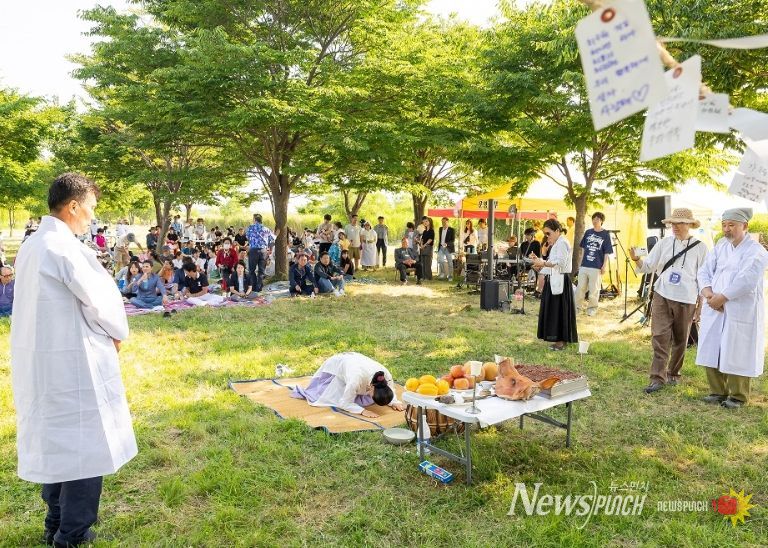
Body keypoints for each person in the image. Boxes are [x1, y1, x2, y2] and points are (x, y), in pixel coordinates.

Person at [10, 173, 136, 547]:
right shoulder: (65, 249)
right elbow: (103, 302)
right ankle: (72, 534)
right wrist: (117, 333)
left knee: (57, 444)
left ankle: (55, 522)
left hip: (41, 360)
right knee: (85, 448)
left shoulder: (33, 245)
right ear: (74, 206)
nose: (92, 218)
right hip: (74, 361)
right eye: (91, 209)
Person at [628, 208, 708, 394]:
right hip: (662, 295)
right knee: (659, 336)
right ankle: (657, 377)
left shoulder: (700, 247)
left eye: (679, 223)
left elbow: (704, 278)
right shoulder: (664, 243)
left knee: (681, 339)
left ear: (689, 224)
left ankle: (674, 373)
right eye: (672, 223)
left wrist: (700, 305)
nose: (675, 227)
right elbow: (648, 267)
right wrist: (636, 260)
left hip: (686, 298)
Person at [696, 208, 768, 408]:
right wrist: (709, 294)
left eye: (732, 225)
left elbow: (747, 280)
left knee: (737, 349)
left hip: (739, 308)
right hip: (714, 305)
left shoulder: (756, 251)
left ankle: (737, 396)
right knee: (712, 346)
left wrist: (723, 297)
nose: (726, 229)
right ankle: (717, 391)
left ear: (744, 226)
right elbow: (704, 271)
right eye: (724, 225)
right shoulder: (720, 246)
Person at [291, 352, 405, 418]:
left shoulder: (385, 375)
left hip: (359, 363)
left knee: (371, 399)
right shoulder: (355, 379)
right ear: (371, 387)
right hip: (340, 365)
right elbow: (344, 402)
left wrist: (394, 402)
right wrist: (362, 411)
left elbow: (390, 390)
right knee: (330, 396)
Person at [531, 219, 577, 350]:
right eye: (545, 234)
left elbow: (560, 263)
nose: (547, 236)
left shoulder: (562, 242)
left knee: (559, 310)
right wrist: (540, 266)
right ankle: (557, 338)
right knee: (555, 310)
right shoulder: (558, 243)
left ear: (557, 231)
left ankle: (561, 341)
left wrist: (543, 263)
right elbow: (553, 264)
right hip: (556, 279)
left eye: (548, 233)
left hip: (561, 281)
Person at [575, 212, 614, 317]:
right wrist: (580, 263)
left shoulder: (605, 234)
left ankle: (592, 308)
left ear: (601, 220)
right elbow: (583, 249)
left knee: (594, 289)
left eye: (597, 219)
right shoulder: (588, 232)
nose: (594, 221)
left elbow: (607, 251)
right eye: (593, 219)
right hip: (584, 265)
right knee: (580, 287)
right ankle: (577, 308)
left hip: (596, 266)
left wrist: (604, 266)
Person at [245, 214, 277, 293]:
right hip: (263, 251)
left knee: (251, 270)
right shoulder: (266, 229)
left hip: (253, 250)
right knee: (261, 271)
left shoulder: (250, 227)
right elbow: (272, 238)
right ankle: (259, 287)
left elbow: (248, 237)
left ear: (254, 219)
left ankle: (253, 286)